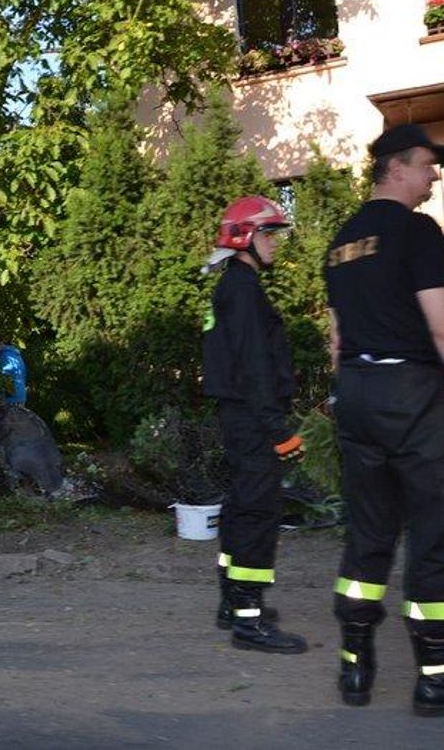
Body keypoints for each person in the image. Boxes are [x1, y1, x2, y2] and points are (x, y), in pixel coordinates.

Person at [323, 123, 444, 716]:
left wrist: (346, 396)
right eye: (428, 165)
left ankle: (355, 663)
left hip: (356, 393)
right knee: (437, 531)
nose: (435, 175)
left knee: (371, 530)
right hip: (414, 397)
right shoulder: (416, 231)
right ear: (396, 167)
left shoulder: (342, 240)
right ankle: (438, 675)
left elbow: (334, 335)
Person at [201, 195, 308, 655]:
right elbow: (254, 366)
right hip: (252, 418)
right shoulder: (241, 288)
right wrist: (279, 430)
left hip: (241, 416)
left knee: (242, 508)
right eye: (269, 234)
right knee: (259, 515)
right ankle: (249, 620)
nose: (274, 244)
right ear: (246, 237)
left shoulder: (233, 284)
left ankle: (232, 603)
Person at [0, 340, 27, 405]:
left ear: (0, 343)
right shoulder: (12, 352)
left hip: (15, 395)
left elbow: (10, 368)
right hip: (19, 389)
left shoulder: (6, 354)